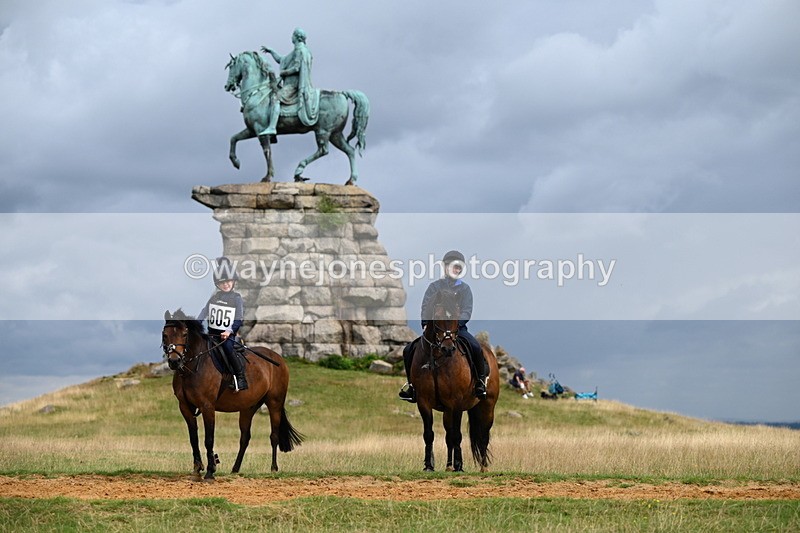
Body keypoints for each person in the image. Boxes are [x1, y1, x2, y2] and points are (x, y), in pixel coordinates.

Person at [399, 250, 488, 403]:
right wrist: (425, 323)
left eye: (459, 267)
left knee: (476, 347)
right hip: (436, 331)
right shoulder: (434, 287)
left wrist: (457, 325)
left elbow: (467, 310)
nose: (457, 270)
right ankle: (412, 387)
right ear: (445, 267)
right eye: (453, 267)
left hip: (457, 330)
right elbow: (426, 306)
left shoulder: (464, 289)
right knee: (408, 350)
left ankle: (480, 383)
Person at [197, 257, 248, 391]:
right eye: (222, 282)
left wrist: (229, 331)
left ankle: (240, 378)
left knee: (227, 348)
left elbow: (238, 319)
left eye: (228, 281)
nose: (225, 284)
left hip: (227, 336)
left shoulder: (236, 299)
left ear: (233, 282)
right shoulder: (214, 298)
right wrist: (195, 325)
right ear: (217, 284)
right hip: (211, 334)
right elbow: (204, 311)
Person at [260, 27, 320, 132]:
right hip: (293, 84)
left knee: (275, 98)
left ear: (296, 37)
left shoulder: (299, 50)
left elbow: (296, 68)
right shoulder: (303, 50)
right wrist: (271, 51)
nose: (291, 37)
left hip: (293, 86)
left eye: (292, 35)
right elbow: (282, 59)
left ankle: (272, 127)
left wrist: (284, 72)